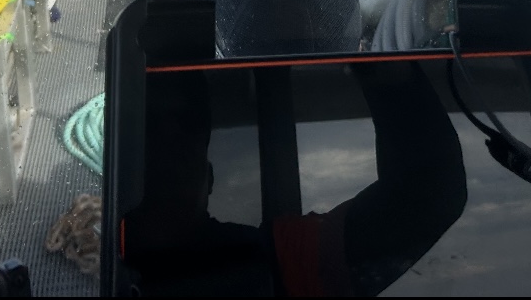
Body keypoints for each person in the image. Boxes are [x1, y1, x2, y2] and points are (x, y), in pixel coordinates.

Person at [120, 61, 468, 297]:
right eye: (149, 129)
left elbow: (428, 193)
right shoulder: (77, 244)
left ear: (208, 177)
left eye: (184, 130)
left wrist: (381, 65)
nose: (166, 140)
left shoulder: (275, 260)